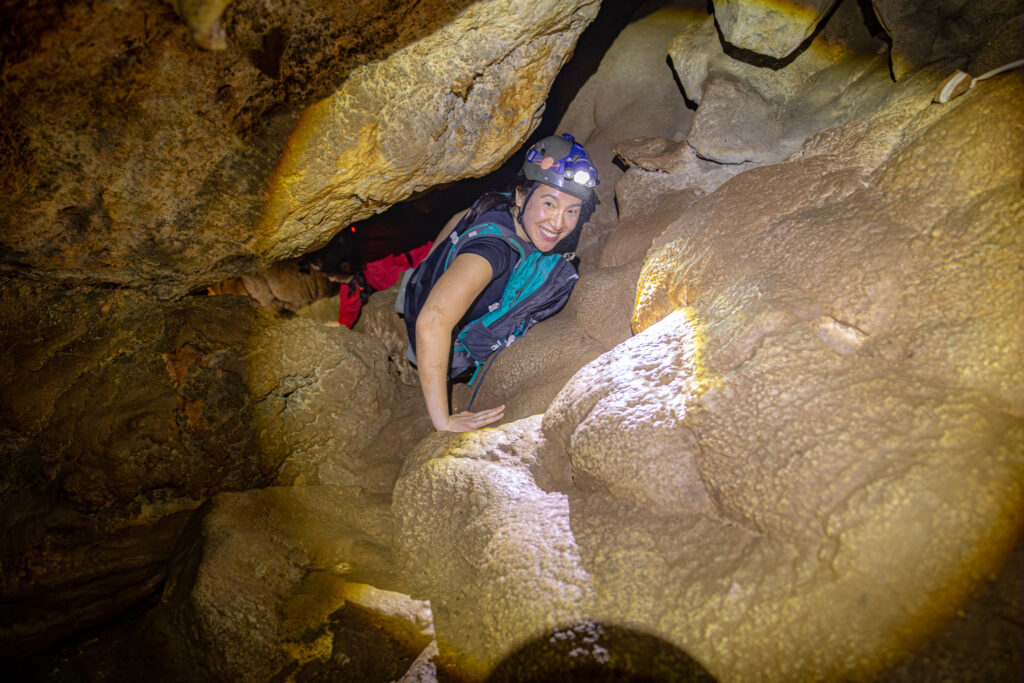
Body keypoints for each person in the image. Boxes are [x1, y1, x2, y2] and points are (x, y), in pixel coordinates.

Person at [400, 133, 599, 432]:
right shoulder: (492, 254)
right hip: (437, 344)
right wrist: (443, 421)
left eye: (571, 211)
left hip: (415, 296)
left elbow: (457, 220)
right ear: (522, 195)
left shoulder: (496, 204)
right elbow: (432, 322)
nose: (559, 223)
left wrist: (428, 275)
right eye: (549, 204)